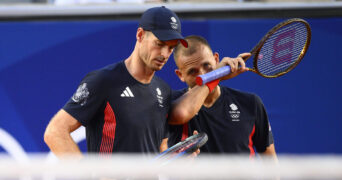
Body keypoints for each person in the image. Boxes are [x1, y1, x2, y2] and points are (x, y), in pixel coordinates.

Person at [43, 6, 203, 156]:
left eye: (171, 47)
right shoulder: (103, 81)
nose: (165, 54)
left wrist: (178, 162)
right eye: (159, 44)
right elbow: (55, 131)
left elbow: (159, 150)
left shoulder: (163, 90)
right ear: (140, 35)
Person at [167, 35, 277, 159]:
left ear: (216, 59)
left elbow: (271, 162)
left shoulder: (250, 103)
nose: (202, 75)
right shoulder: (170, 104)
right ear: (180, 75)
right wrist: (216, 75)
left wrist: (216, 75)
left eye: (207, 65)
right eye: (192, 71)